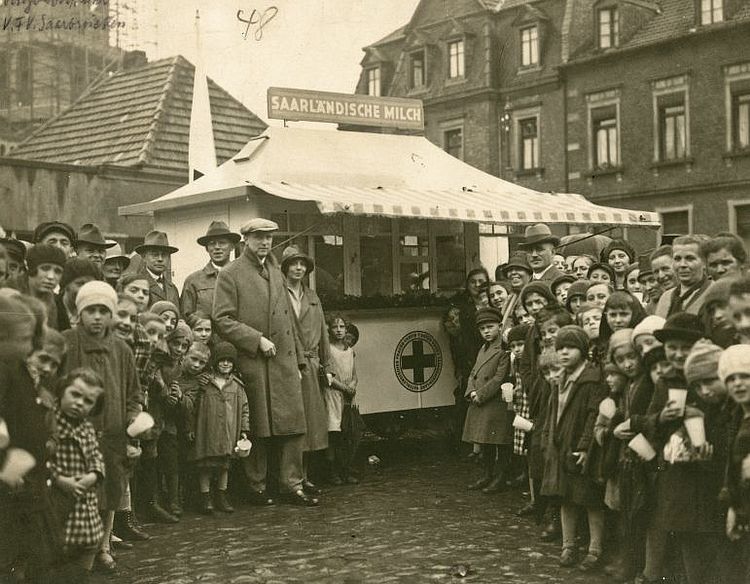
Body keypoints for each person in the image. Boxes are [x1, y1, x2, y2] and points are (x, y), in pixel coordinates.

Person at [212, 218, 315, 506]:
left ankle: (291, 484)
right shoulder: (231, 274)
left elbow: (290, 319)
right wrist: (256, 339)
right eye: (259, 237)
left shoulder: (275, 271)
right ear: (245, 240)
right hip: (254, 361)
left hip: (283, 360)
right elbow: (221, 319)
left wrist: (299, 362)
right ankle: (256, 486)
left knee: (293, 424)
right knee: (258, 426)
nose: (265, 242)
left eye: (269, 237)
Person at [60, 281, 143, 572]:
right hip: (73, 436)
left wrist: (133, 420)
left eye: (103, 311)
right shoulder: (66, 342)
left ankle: (103, 546)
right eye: (91, 311)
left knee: (109, 492)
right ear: (80, 313)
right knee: (77, 492)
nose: (97, 317)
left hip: (113, 435)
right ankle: (73, 549)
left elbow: (134, 394)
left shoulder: (122, 350)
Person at [541, 325, 607, 570]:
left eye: (570, 348)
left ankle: (595, 549)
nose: (564, 353)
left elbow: (593, 415)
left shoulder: (592, 379)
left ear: (583, 350)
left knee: (590, 500)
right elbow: (553, 413)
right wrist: (550, 441)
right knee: (565, 498)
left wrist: (585, 446)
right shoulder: (561, 379)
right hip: (562, 447)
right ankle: (568, 546)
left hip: (580, 450)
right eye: (560, 349)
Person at [281, 246, 331, 495]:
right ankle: (292, 479)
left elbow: (322, 331)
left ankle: (305, 476)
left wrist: (327, 365)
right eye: (293, 264)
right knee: (294, 424)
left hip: (311, 365)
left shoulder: (312, 296)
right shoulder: (280, 294)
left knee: (311, 424)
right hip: (290, 365)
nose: (298, 268)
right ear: (285, 267)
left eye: (302, 264)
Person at [50, 368, 106, 575]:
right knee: (54, 562)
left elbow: (96, 457)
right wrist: (59, 479)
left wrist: (93, 475)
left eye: (88, 401)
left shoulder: (87, 428)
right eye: (75, 394)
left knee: (85, 555)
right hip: (57, 501)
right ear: (62, 391)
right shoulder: (50, 423)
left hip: (85, 503)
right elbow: (39, 459)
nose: (80, 403)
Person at [187, 342, 249, 515]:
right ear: (215, 362)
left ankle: (221, 496)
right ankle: (205, 497)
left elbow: (244, 408)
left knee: (224, 466)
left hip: (228, 431)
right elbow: (193, 407)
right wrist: (190, 427)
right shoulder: (205, 382)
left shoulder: (237, 385)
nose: (226, 364)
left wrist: (244, 429)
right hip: (206, 431)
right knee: (205, 465)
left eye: (230, 361)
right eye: (222, 360)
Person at [462, 307, 514, 494]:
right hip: (480, 401)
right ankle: (487, 474)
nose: (486, 331)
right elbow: (473, 373)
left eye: (490, 327)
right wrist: (470, 391)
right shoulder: (482, 349)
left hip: (495, 402)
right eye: (482, 328)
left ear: (500, 327)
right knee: (484, 441)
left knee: (500, 442)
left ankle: (500, 478)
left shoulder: (504, 349)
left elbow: (499, 378)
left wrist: (480, 394)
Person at [719, 345, 750, 582]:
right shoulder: (737, 416)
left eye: (745, 376)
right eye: (731, 379)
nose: (738, 384)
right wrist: (734, 508)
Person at [324, 314, 360, 486]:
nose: (338, 330)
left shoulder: (350, 350)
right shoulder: (328, 351)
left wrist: (352, 386)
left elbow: (354, 374)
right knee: (334, 434)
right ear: (329, 330)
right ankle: (332, 472)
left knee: (348, 434)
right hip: (333, 395)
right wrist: (344, 388)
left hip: (347, 396)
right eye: (335, 327)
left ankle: (346, 469)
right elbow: (328, 377)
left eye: (341, 327)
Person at [181, 221, 240, 318]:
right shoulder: (193, 281)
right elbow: (186, 316)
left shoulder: (242, 277)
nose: (217, 247)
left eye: (222, 243)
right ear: (207, 249)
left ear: (232, 247)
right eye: (212, 243)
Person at [4, 243, 66, 330]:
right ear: (31, 268)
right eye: (45, 268)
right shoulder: (8, 294)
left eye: (58, 271)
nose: (51, 276)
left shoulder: (54, 302)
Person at [655, 236, 713, 318]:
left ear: (704, 262)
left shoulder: (715, 293)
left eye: (690, 258)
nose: (682, 265)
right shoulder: (666, 298)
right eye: (677, 259)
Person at [135, 230, 180, 312]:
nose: (160, 259)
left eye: (164, 255)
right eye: (155, 255)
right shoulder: (136, 284)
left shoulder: (173, 289)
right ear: (144, 257)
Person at [56, 257, 100, 331]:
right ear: (66, 285)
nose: (86, 289)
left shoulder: (99, 312)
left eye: (91, 284)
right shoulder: (51, 309)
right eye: (80, 284)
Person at [500, 252, 533, 336]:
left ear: (529, 273)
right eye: (510, 270)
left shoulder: (533, 295)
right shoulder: (511, 297)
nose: (513, 273)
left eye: (519, 269)